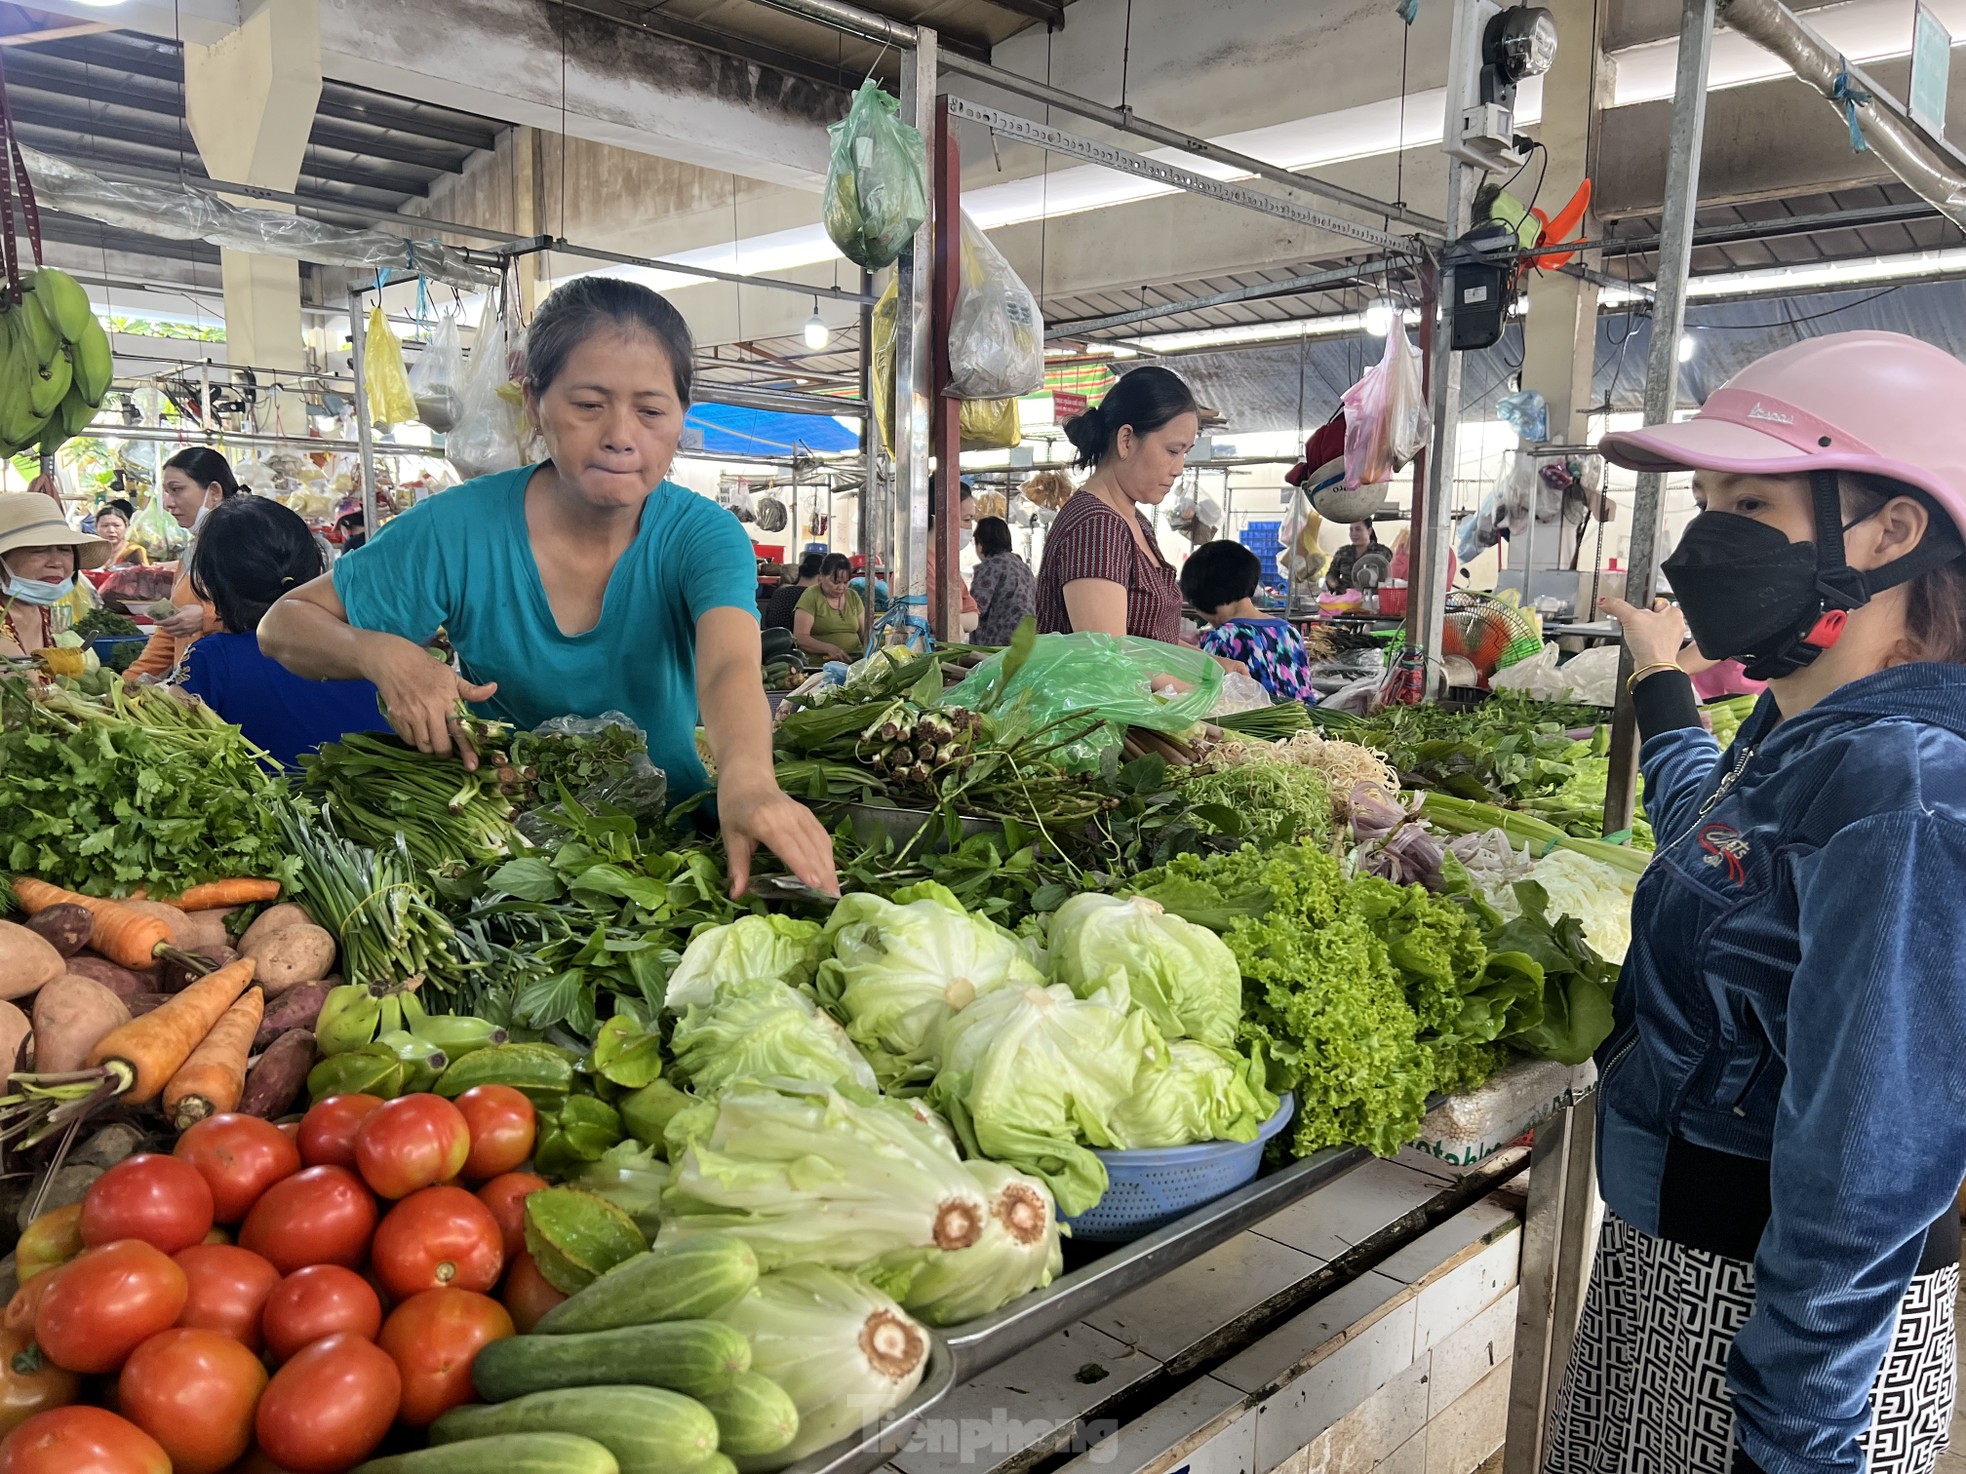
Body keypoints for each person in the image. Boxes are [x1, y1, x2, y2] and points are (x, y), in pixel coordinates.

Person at [1546, 331, 1966, 1474]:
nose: (1706, 539)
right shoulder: (1805, 729)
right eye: (1706, 498)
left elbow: (1864, 1178)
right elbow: (1715, 844)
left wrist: (1792, 1444)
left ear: (1890, 531)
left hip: (1774, 1330)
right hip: (1690, 1268)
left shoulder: (1908, 788)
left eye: (1749, 501)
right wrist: (1662, 685)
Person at [258, 275, 836, 896]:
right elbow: (282, 626)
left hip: (672, 848)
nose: (620, 435)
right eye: (589, 405)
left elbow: (728, 667)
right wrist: (381, 654)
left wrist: (748, 782)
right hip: (505, 859)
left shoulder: (703, 536)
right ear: (535, 404)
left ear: (680, 418)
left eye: (650, 410)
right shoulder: (459, 528)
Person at [179, 496, 384, 769]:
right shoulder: (374, 646)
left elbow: (176, 747)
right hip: (391, 805)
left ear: (215, 583)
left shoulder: (214, 658)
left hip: (271, 808)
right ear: (313, 562)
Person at [1036, 366, 1193, 645]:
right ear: (1126, 440)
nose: (1179, 468)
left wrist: (1210, 665)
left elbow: (1149, 641)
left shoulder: (1135, 520)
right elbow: (1110, 658)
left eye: (1184, 453)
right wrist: (1199, 685)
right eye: (1172, 451)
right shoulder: (1095, 526)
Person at [124, 447, 243, 682]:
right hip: (193, 690)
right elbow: (169, 636)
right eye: (166, 492)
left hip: (235, 684)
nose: (168, 503)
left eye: (176, 490)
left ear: (215, 491)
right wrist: (127, 684)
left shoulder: (247, 544)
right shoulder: (193, 550)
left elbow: (269, 612)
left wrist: (208, 617)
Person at [1179, 540, 1315, 702]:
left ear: (1202, 598)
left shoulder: (1224, 637)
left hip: (1254, 725)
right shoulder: (1288, 631)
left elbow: (1207, 697)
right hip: (1302, 722)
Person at [0, 492, 106, 662]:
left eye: (64, 549)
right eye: (38, 550)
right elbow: (28, 684)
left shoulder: (41, 610)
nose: (56, 562)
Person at [925, 474, 980, 635]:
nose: (970, 528)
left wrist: (957, 620)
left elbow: (974, 616)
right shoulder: (920, 568)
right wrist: (958, 620)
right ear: (941, 519)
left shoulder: (948, 565)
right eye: (966, 519)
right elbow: (941, 622)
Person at [969, 515, 1036, 646]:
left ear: (981, 544)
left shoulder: (990, 567)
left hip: (997, 646)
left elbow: (976, 608)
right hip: (1025, 641)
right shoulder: (1022, 566)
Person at [792, 553, 865, 664]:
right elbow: (800, 637)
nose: (841, 587)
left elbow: (865, 633)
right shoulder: (811, 596)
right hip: (821, 664)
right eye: (835, 582)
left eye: (845, 582)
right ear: (821, 577)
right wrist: (829, 648)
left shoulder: (853, 596)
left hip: (854, 662)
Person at [1324, 521, 1390, 593]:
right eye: (1351, 530)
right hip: (1345, 598)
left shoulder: (1383, 552)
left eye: (1358, 529)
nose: (1353, 533)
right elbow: (1331, 574)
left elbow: (1389, 577)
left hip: (1372, 597)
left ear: (1369, 531)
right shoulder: (1342, 552)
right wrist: (1334, 584)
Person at [764, 552, 824, 630]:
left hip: (770, 637)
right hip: (794, 640)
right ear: (820, 578)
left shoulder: (781, 590)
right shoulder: (811, 596)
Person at [90, 499, 147, 567]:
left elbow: (147, 574)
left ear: (126, 526)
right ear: (96, 527)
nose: (111, 530)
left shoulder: (135, 551)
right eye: (105, 525)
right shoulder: (90, 551)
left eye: (116, 525)